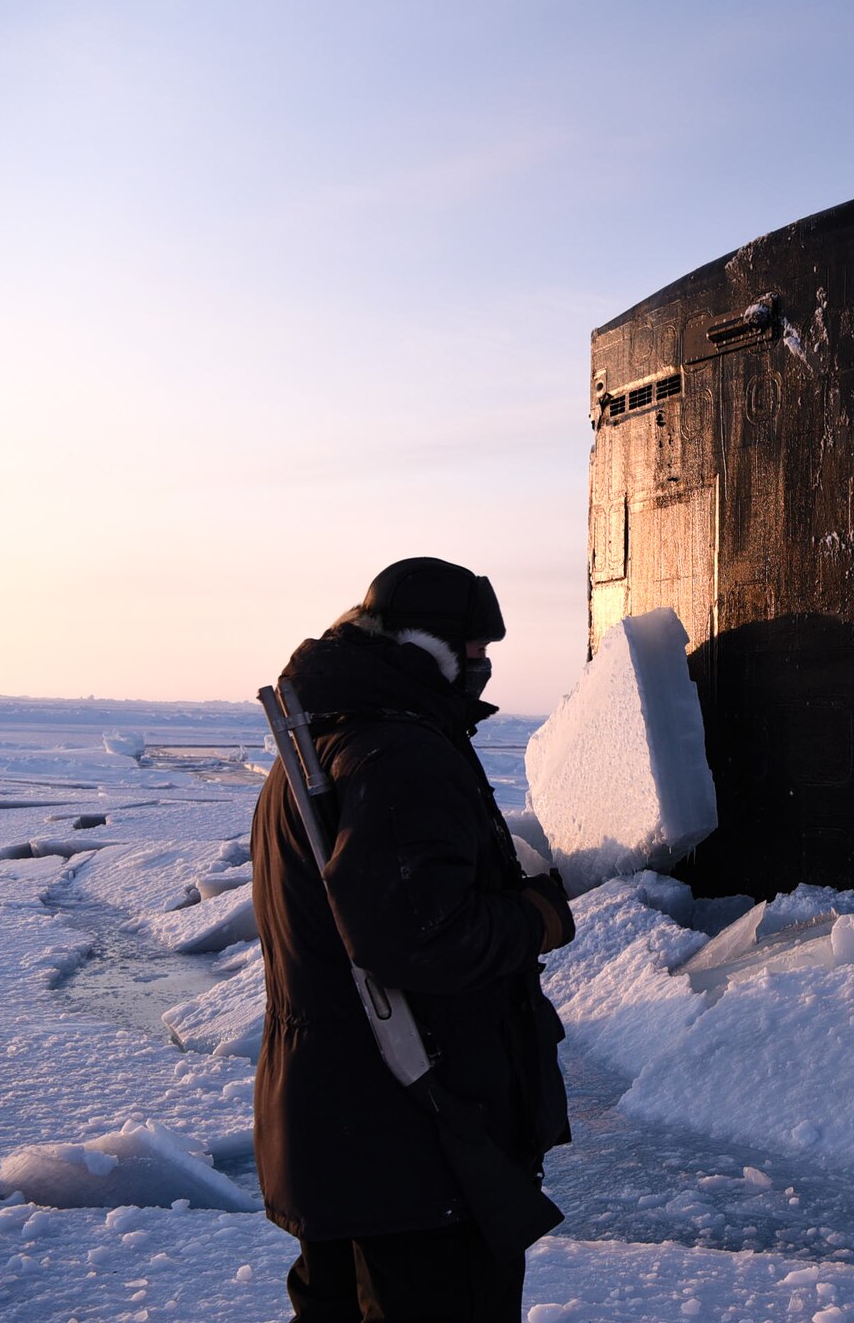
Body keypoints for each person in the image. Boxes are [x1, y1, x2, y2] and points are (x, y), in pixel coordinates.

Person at [252, 557, 575, 1322]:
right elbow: (422, 937)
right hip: (414, 1153)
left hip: (345, 1139)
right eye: (470, 652)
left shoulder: (323, 744)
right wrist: (537, 917)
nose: (483, 669)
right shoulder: (398, 754)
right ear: (423, 646)